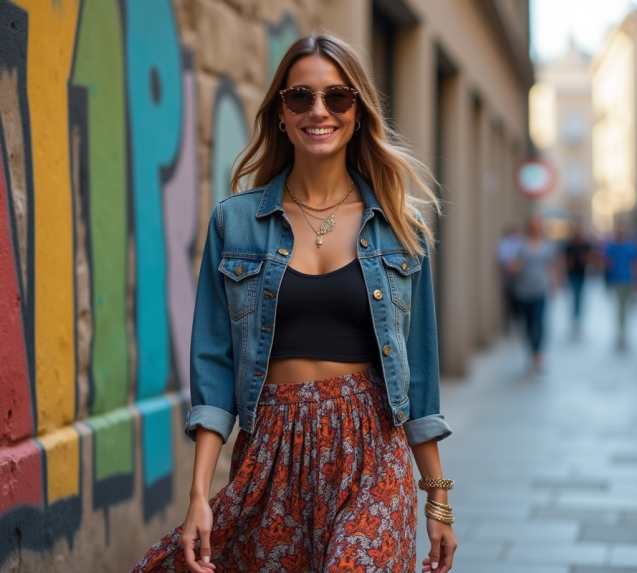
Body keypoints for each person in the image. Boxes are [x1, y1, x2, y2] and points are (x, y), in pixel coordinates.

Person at [133, 34, 457, 573]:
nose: (319, 111)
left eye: (338, 97)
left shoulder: (403, 230)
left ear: (359, 112)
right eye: (300, 97)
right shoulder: (233, 223)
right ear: (280, 112)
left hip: (372, 448)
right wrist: (197, 495)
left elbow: (420, 374)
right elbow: (213, 368)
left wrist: (438, 499)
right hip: (272, 452)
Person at [509, 216, 559, 371]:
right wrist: (515, 268)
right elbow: (514, 264)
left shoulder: (547, 245)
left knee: (539, 321)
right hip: (523, 290)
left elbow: (551, 266)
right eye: (534, 225)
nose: (537, 228)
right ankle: (531, 350)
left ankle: (538, 353)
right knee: (528, 322)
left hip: (540, 289)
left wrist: (554, 284)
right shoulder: (522, 245)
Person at [604, 227, 637, 348]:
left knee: (627, 308)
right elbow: (605, 262)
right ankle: (622, 334)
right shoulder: (611, 247)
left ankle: (624, 331)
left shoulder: (630, 248)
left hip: (629, 281)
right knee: (620, 308)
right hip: (617, 281)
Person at [564, 223, 593, 334]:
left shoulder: (585, 245)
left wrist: (585, 259)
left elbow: (589, 258)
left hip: (581, 274)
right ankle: (574, 318)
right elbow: (566, 259)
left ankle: (577, 319)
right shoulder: (569, 245)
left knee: (579, 296)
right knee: (575, 295)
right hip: (572, 274)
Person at [497, 226, 523, 333]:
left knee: (518, 302)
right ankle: (509, 323)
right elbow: (502, 259)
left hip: (521, 280)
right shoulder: (504, 244)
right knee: (509, 302)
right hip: (509, 279)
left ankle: (518, 321)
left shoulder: (522, 242)